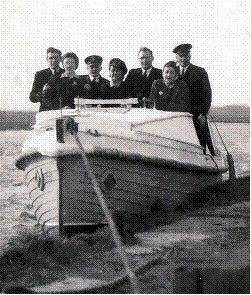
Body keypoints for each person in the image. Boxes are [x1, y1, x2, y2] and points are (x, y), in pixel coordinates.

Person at [173, 43, 215, 155]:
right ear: (176, 57)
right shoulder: (171, 72)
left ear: (190, 56)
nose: (183, 58)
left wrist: (203, 113)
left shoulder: (200, 72)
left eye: (185, 55)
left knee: (200, 142)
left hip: (196, 114)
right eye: (180, 56)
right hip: (178, 114)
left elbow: (207, 94)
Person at [29, 47, 64, 112]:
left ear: (60, 59)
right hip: (45, 112)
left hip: (62, 112)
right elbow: (32, 97)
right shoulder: (40, 74)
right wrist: (43, 92)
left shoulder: (65, 73)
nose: (53, 60)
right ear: (47, 59)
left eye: (56, 58)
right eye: (51, 58)